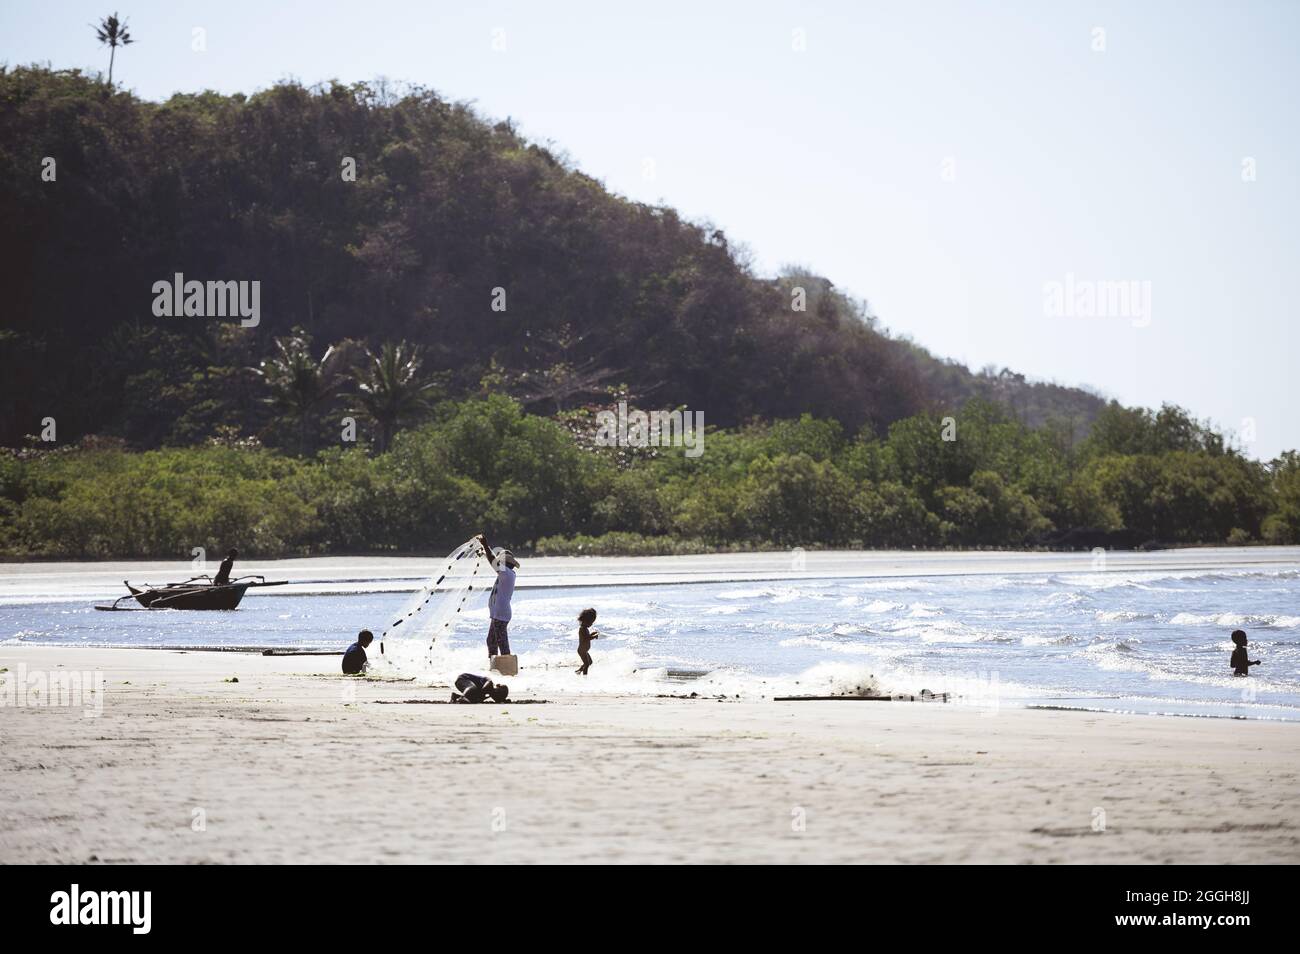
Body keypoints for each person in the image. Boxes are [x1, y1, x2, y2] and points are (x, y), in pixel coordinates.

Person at [476, 533, 519, 659]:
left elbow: (493, 561)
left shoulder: (507, 574)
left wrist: (485, 545)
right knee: (491, 641)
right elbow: (492, 560)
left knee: (502, 643)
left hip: (501, 614)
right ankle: (495, 664)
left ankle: (507, 667)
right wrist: (484, 552)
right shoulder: (505, 573)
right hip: (498, 614)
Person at [576, 607, 600, 675]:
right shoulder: (582, 629)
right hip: (582, 651)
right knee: (586, 664)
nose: (591, 624)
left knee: (590, 662)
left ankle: (579, 671)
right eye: (591, 622)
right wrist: (594, 636)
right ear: (585, 620)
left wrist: (592, 634)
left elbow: (587, 636)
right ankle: (585, 677)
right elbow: (586, 638)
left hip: (584, 650)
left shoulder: (585, 628)